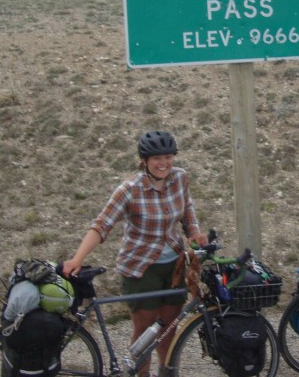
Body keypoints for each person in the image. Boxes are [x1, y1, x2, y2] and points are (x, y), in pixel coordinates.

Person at [63, 130, 208, 377]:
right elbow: (101, 225)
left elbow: (187, 209)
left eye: (167, 157)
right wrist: (78, 258)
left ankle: (167, 372)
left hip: (173, 265)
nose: (163, 163)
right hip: (140, 268)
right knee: (145, 330)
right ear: (145, 161)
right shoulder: (129, 189)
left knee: (169, 328)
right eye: (156, 159)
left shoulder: (180, 178)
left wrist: (194, 232)